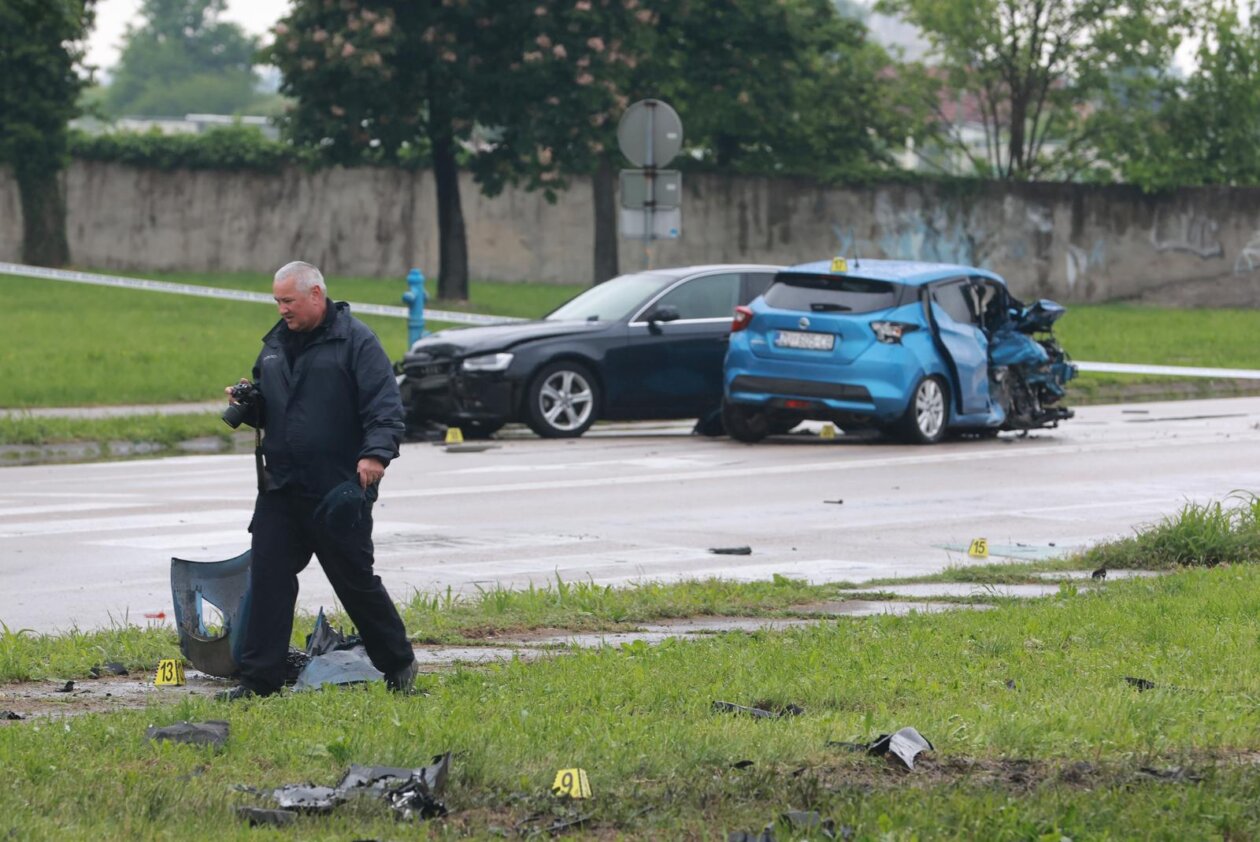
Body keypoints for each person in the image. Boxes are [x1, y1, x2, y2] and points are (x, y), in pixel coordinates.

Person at [219, 261, 417, 699]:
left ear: (315, 294)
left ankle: (399, 664)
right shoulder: (274, 346)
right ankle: (258, 681)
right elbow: (273, 408)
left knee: (354, 582)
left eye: (288, 301)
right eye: (277, 301)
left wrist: (375, 455)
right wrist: (249, 405)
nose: (282, 309)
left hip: (337, 488)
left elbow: (385, 407)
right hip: (282, 488)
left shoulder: (357, 342)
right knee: (268, 579)